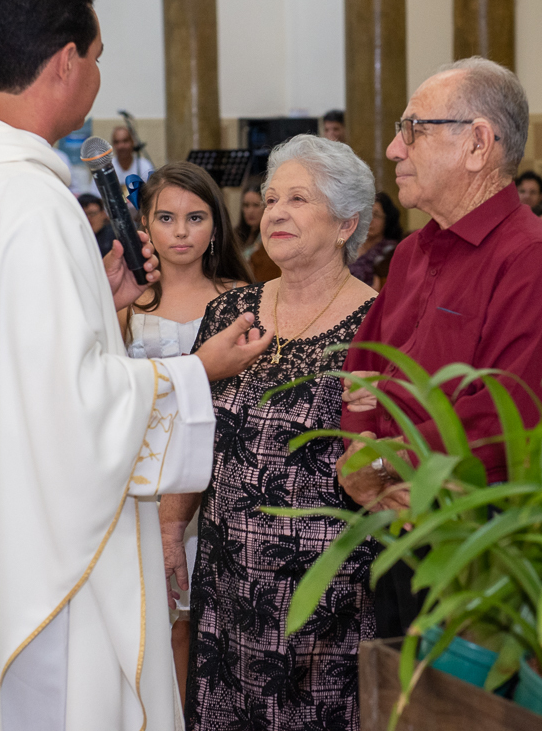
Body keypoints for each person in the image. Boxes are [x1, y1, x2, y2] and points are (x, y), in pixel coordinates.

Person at [0, 0, 272, 731]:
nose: (96, 76)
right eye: (96, 57)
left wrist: (99, 300)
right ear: (66, 60)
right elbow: (72, 409)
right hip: (42, 561)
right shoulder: (31, 199)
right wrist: (197, 371)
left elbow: (2, 360)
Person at [338, 58, 542, 637]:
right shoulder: (412, 252)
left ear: (478, 143)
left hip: (481, 535)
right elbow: (364, 365)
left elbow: (513, 413)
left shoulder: (535, 259)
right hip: (395, 519)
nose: (395, 150)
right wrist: (363, 455)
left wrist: (385, 460)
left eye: (413, 129)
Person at [161, 135, 379, 731]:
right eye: (271, 196)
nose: (276, 210)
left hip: (324, 599)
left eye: (299, 199)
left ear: (345, 224)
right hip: (227, 587)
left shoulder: (378, 324)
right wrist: (173, 521)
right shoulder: (232, 312)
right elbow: (193, 423)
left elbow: (384, 462)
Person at [126, 161, 250, 705]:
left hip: (211, 470)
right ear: (145, 227)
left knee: (187, 619)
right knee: (137, 618)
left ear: (215, 228)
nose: (181, 232)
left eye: (195, 218)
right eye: (167, 218)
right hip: (138, 472)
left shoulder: (240, 296)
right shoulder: (129, 302)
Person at [349, 190, 402, 285]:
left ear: (387, 219)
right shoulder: (349, 244)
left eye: (376, 215)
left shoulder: (391, 250)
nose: (370, 220)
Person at [235, 181, 264, 263]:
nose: (250, 211)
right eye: (246, 205)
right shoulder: (236, 234)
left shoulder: (267, 237)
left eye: (256, 205)